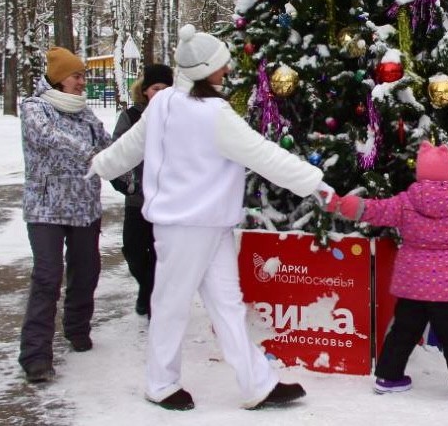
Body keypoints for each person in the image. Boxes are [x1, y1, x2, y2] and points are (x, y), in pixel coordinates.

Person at [88, 24, 335, 412]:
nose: (227, 71)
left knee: (227, 304)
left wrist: (100, 164)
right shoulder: (211, 113)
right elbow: (264, 154)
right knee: (171, 303)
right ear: (205, 70)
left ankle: (258, 384)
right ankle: (161, 383)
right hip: (185, 225)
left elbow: (129, 148)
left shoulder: (165, 102)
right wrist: (316, 184)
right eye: (221, 66)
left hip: (209, 224)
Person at [322, 141, 448, 403]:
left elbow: (373, 210)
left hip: (412, 282)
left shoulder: (405, 202)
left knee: (403, 329)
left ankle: (389, 377)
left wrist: (343, 204)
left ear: (420, 171)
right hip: (446, 287)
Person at [18, 46, 112, 384]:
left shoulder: (86, 115)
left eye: (83, 75)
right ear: (59, 78)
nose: (81, 82)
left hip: (84, 206)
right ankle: (35, 355)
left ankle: (77, 328)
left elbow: (109, 145)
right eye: (76, 75)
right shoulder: (34, 108)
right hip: (46, 208)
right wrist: (90, 154)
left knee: (86, 269)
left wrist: (126, 168)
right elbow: (47, 137)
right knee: (47, 276)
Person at [109, 63, 173, 317]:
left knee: (161, 254)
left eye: (167, 88)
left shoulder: (178, 118)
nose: (161, 93)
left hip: (169, 202)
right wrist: (128, 184)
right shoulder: (131, 116)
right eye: (156, 88)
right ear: (145, 90)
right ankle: (148, 288)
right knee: (134, 252)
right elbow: (118, 152)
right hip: (138, 200)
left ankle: (154, 302)